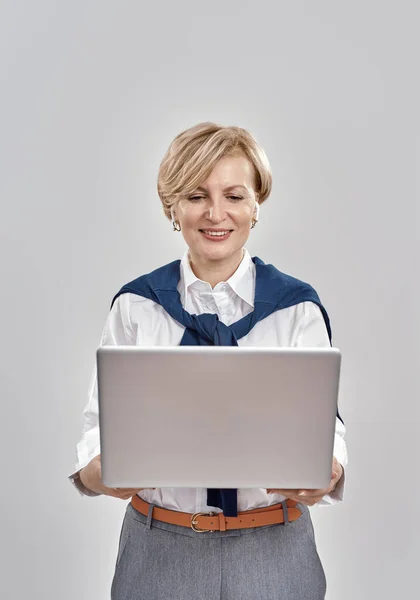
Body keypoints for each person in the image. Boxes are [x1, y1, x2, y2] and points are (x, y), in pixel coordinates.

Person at [69, 122, 348, 600]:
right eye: (197, 196)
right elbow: (96, 438)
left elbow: (329, 438)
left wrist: (326, 473)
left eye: (234, 196)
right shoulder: (136, 307)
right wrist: (102, 473)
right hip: (160, 551)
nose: (216, 213)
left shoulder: (298, 308)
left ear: (256, 206)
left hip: (275, 551)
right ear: (172, 207)